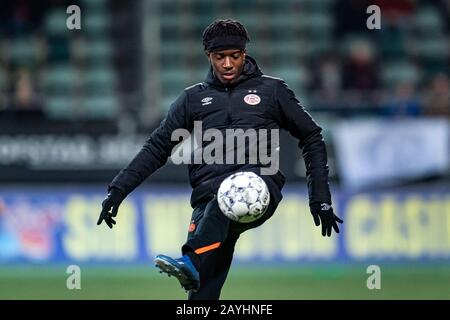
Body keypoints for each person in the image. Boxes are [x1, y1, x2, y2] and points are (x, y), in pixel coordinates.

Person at [97, 19, 343, 300]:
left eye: (234, 56)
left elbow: (311, 136)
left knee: (230, 195)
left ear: (244, 54)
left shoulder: (272, 91)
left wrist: (319, 197)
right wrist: (117, 190)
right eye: (220, 57)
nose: (228, 64)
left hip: (258, 186)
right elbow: (157, 147)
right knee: (202, 295)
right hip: (207, 199)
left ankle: (189, 259)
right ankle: (194, 267)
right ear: (209, 56)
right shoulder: (192, 99)